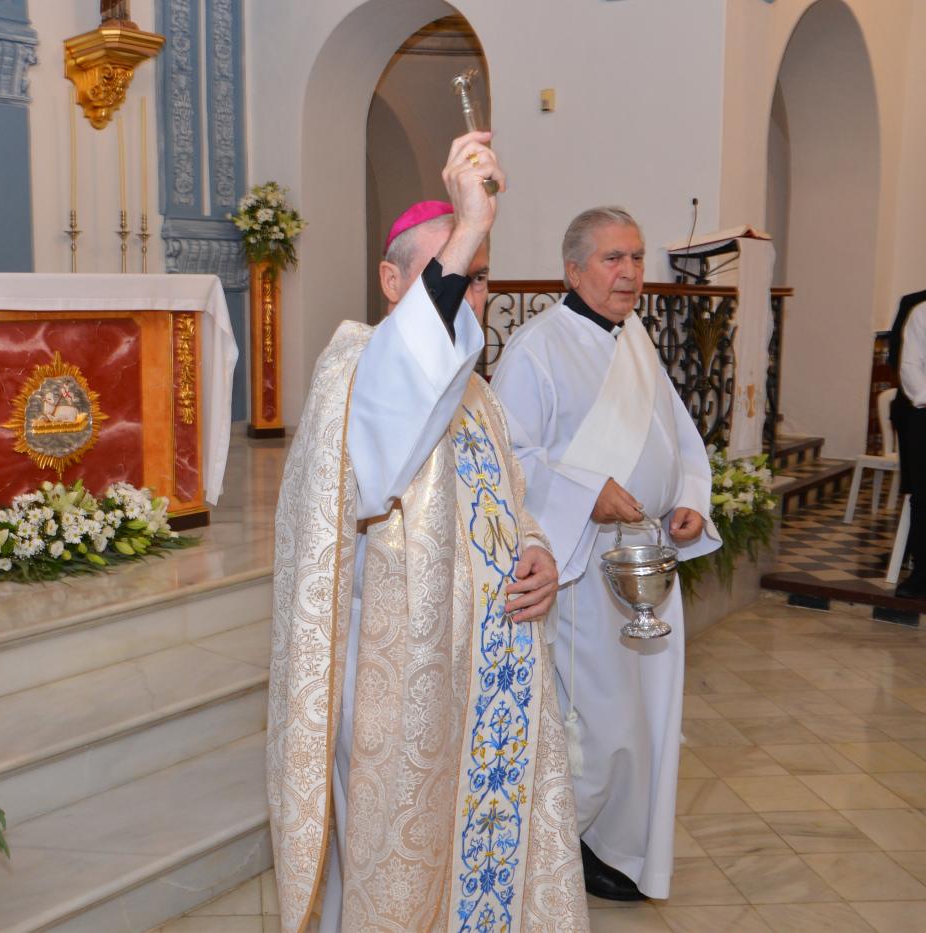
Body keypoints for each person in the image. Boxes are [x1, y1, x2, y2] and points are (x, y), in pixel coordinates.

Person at [268, 133, 587, 932]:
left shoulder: (479, 396)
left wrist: (539, 553)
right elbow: (391, 418)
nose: (471, 294)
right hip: (401, 692)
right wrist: (471, 224)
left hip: (490, 680)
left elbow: (511, 504)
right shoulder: (355, 370)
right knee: (399, 873)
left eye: (479, 277)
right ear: (391, 281)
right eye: (456, 270)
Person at [489, 207, 720, 902]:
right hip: (583, 567)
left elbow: (677, 437)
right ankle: (568, 842)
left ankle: (619, 842)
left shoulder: (635, 338)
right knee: (599, 720)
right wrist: (586, 494)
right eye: (612, 258)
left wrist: (689, 498)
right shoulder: (536, 348)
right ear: (573, 270)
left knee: (648, 715)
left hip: (646, 558)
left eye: (637, 257)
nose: (629, 272)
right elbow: (508, 457)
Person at [888, 288, 926, 598]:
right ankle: (922, 573)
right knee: (924, 496)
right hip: (923, 411)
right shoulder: (922, 312)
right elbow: (909, 366)